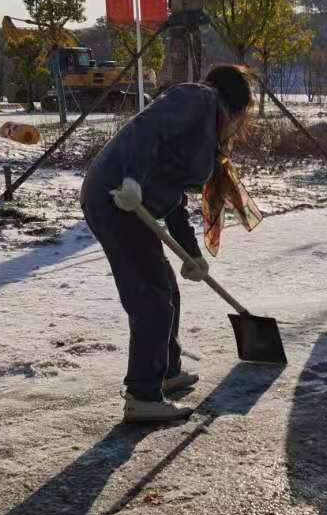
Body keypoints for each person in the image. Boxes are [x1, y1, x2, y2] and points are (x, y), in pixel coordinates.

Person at [80, 65, 255, 424]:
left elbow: (174, 196)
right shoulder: (198, 99)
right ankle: (142, 396)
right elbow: (146, 129)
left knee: (167, 289)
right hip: (115, 198)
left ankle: (166, 371)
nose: (240, 124)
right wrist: (131, 179)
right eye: (243, 115)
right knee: (151, 297)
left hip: (133, 206)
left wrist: (192, 253)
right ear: (234, 104)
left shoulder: (206, 131)